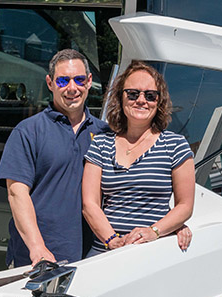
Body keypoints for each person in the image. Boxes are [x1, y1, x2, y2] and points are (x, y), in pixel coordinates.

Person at [0, 49, 110, 267]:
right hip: (35, 260)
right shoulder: (28, 131)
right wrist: (37, 247)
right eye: (63, 81)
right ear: (50, 83)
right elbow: (17, 194)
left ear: (89, 82)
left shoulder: (106, 133)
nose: (72, 88)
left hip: (92, 259)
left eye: (79, 79)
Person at [82, 61, 195, 255]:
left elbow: (185, 206)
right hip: (105, 253)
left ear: (159, 101)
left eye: (150, 95)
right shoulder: (101, 144)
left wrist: (154, 231)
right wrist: (113, 241)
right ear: (120, 97)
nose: (141, 100)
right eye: (133, 94)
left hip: (152, 252)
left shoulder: (175, 145)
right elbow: (89, 204)